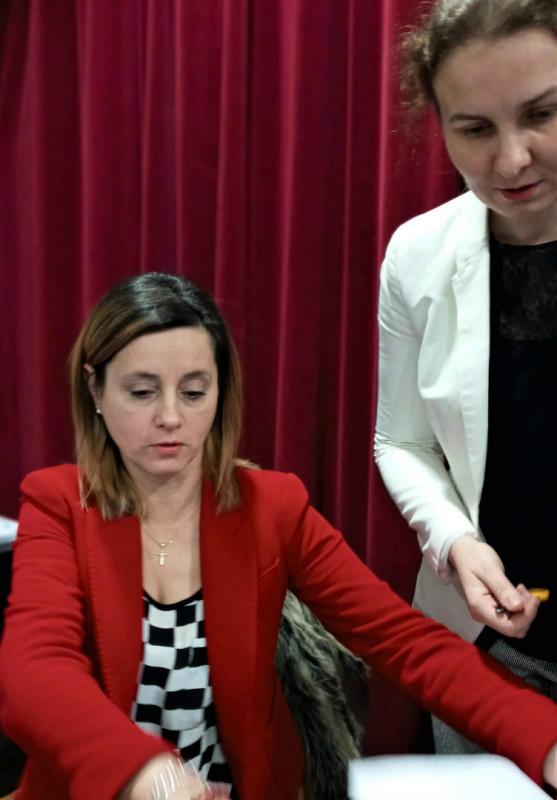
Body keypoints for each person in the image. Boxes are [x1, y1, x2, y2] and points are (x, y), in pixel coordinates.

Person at [3, 275, 557, 800]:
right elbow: (35, 669)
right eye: (142, 392)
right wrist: (143, 771)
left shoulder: (272, 507)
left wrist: (546, 738)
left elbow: (408, 644)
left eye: (193, 392)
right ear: (95, 389)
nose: (170, 417)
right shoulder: (58, 504)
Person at [375, 0, 557, 756]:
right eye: (475, 129)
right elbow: (400, 441)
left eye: (542, 114)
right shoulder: (416, 256)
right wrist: (454, 540)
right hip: (487, 652)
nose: (511, 161)